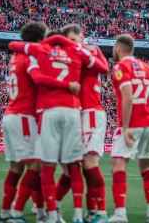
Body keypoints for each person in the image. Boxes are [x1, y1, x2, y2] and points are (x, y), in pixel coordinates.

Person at [9, 31, 95, 223]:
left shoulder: (39, 51)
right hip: (71, 111)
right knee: (71, 167)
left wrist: (46, 44)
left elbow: (13, 45)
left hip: (47, 112)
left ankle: (49, 212)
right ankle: (75, 214)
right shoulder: (75, 51)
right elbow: (101, 66)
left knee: (47, 167)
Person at [52, 24, 110, 223]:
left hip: (91, 112)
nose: (73, 45)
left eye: (76, 40)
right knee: (74, 167)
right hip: (74, 113)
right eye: (70, 42)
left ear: (82, 38)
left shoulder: (91, 50)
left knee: (89, 163)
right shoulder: (66, 56)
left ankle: (100, 211)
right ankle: (64, 207)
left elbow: (105, 68)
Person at [108, 34, 149, 223]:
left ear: (118, 48)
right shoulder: (147, 68)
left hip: (132, 124)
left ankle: (120, 214)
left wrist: (125, 128)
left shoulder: (120, 67)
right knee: (147, 167)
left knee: (119, 165)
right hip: (148, 124)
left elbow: (127, 97)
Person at [0, 22, 54, 223]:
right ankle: (16, 211)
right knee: (36, 166)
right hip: (24, 116)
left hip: (11, 114)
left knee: (16, 167)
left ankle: (8, 212)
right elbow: (38, 80)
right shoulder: (31, 56)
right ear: (40, 39)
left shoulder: (16, 56)